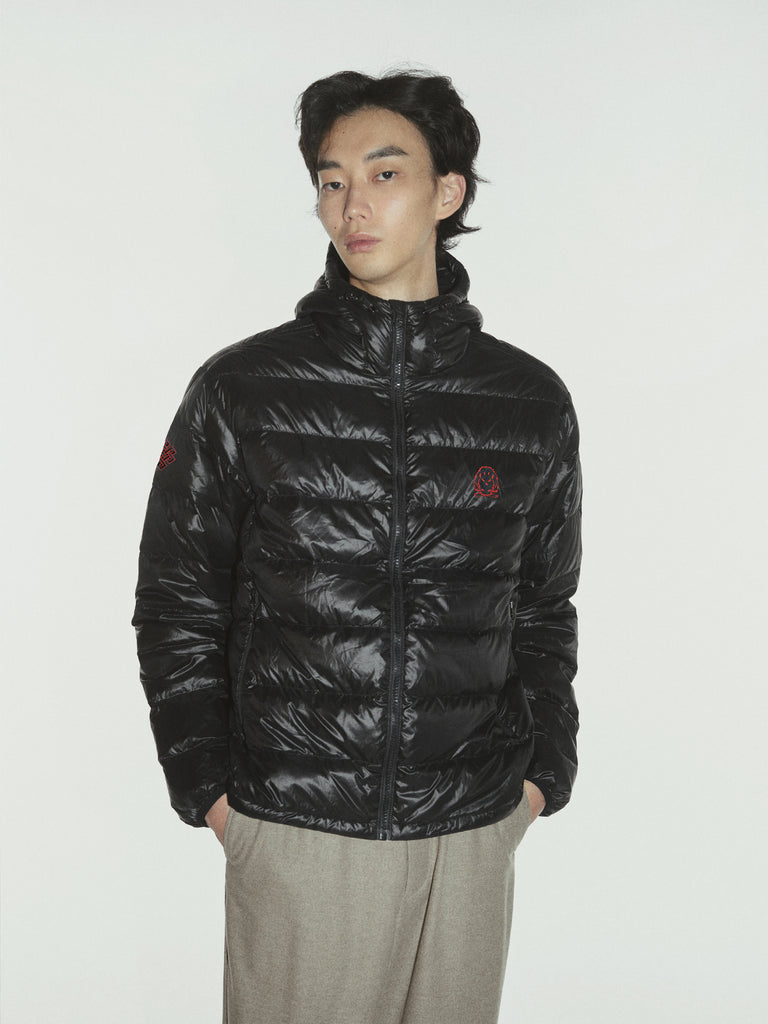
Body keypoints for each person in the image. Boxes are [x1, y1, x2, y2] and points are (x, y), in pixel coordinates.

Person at [133, 67, 582, 1024]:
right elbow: (178, 600)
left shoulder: (529, 400)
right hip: (299, 824)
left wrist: (542, 777)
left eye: (384, 174)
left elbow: (543, 604)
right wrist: (212, 794)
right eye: (332, 181)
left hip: (472, 828)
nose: (352, 205)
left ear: (447, 192)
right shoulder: (244, 388)